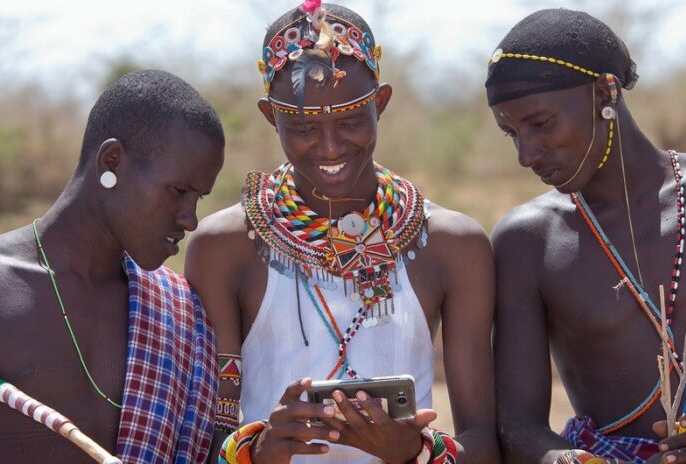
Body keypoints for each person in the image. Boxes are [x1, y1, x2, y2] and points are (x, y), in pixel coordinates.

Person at [485, 8, 686, 464]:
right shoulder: (528, 241)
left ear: (605, 91)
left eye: (540, 124)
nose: (526, 154)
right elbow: (518, 426)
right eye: (510, 133)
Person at [185, 2, 499, 463]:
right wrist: (262, 449)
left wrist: (415, 452)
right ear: (272, 116)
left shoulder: (453, 247)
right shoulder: (225, 248)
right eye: (303, 127)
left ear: (381, 103)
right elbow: (209, 439)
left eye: (351, 122)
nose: (330, 148)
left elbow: (486, 445)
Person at [0, 70, 225, 464]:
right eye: (179, 192)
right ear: (111, 160)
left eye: (199, 198)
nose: (190, 219)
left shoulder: (180, 310)